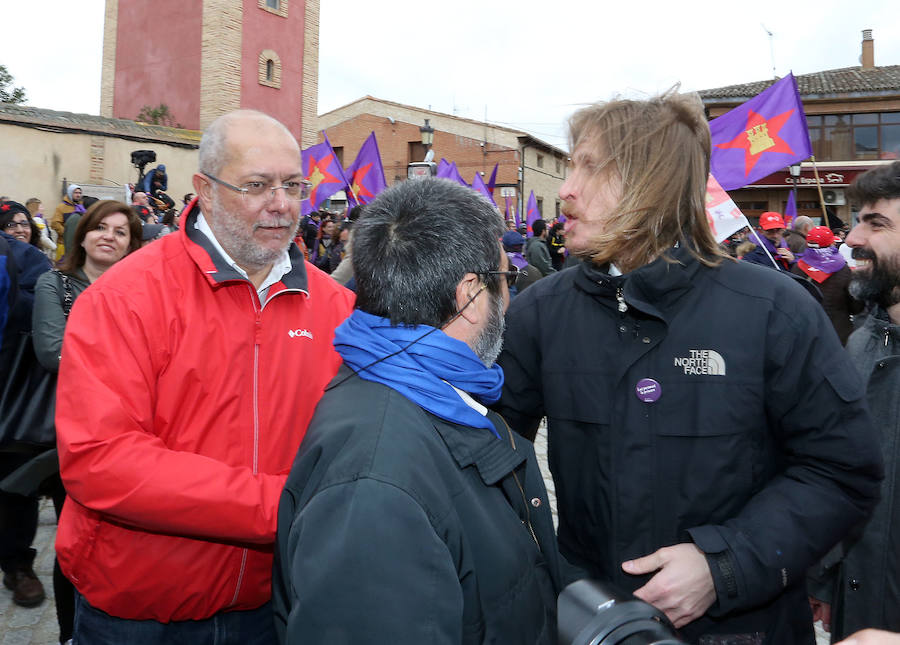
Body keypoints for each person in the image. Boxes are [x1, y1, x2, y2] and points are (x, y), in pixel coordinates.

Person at [494, 89, 883, 644]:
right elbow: (492, 458)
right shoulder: (540, 311)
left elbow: (841, 471)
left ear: (649, 183)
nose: (566, 189)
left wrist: (724, 565)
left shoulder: (775, 310)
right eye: (569, 164)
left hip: (744, 629)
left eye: (589, 166)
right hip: (589, 622)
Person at [54, 109, 355, 644]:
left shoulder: (337, 308)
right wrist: (280, 505)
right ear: (206, 190)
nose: (282, 204)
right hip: (140, 610)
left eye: (292, 185)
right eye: (257, 185)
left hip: (276, 602)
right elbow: (101, 460)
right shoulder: (124, 297)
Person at [272, 178, 564, 643]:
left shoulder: (428, 393)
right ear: (469, 294)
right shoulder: (374, 488)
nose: (509, 300)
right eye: (505, 279)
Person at [29, 200, 141, 644]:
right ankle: (71, 633)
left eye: (121, 232)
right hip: (75, 430)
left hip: (132, 427)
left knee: (121, 537)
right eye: (100, 227)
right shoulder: (54, 284)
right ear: (83, 234)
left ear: (132, 245)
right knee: (75, 539)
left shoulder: (142, 290)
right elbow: (53, 351)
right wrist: (130, 366)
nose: (108, 236)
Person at [807, 160, 900, 640]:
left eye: (876, 223)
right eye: (858, 219)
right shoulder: (863, 343)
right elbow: (845, 475)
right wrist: (826, 574)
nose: (852, 239)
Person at [0, 208, 52, 610]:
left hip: (13, 390)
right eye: (10, 225)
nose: (19, 231)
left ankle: (18, 565)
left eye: (23, 224)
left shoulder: (30, 261)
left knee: (15, 483)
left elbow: (46, 314)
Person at [791, 225, 861, 344]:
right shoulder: (843, 269)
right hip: (838, 334)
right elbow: (856, 307)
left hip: (806, 333)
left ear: (807, 244)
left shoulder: (797, 268)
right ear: (832, 244)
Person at [51, 185, 84, 262]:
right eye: (75, 193)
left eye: (80, 193)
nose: (78, 195)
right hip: (63, 244)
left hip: (77, 245)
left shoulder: (81, 207)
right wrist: (67, 234)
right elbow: (55, 223)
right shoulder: (61, 207)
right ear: (70, 193)